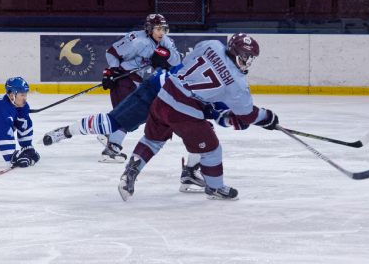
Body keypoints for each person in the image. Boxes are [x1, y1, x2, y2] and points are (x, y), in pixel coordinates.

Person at [42, 59, 249, 193]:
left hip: (177, 100)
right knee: (112, 122)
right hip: (159, 90)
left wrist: (229, 117)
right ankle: (66, 131)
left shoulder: (223, 74)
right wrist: (234, 118)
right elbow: (215, 108)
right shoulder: (225, 78)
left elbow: (212, 109)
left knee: (202, 133)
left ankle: (189, 174)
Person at [118, 33, 279, 201]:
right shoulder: (238, 84)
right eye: (246, 56)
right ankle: (216, 188)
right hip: (184, 110)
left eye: (251, 57)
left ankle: (130, 173)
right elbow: (248, 115)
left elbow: (187, 64)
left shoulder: (213, 45)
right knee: (211, 149)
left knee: (152, 140)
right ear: (234, 51)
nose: (248, 61)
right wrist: (268, 117)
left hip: (164, 96)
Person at [100, 14, 178, 163]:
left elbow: (176, 62)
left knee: (131, 118)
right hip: (123, 78)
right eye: (158, 29)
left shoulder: (166, 41)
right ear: (149, 29)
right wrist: (114, 69)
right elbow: (111, 52)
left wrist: (166, 55)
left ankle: (108, 133)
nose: (162, 33)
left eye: (164, 29)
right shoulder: (135, 40)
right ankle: (111, 148)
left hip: (136, 80)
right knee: (128, 116)